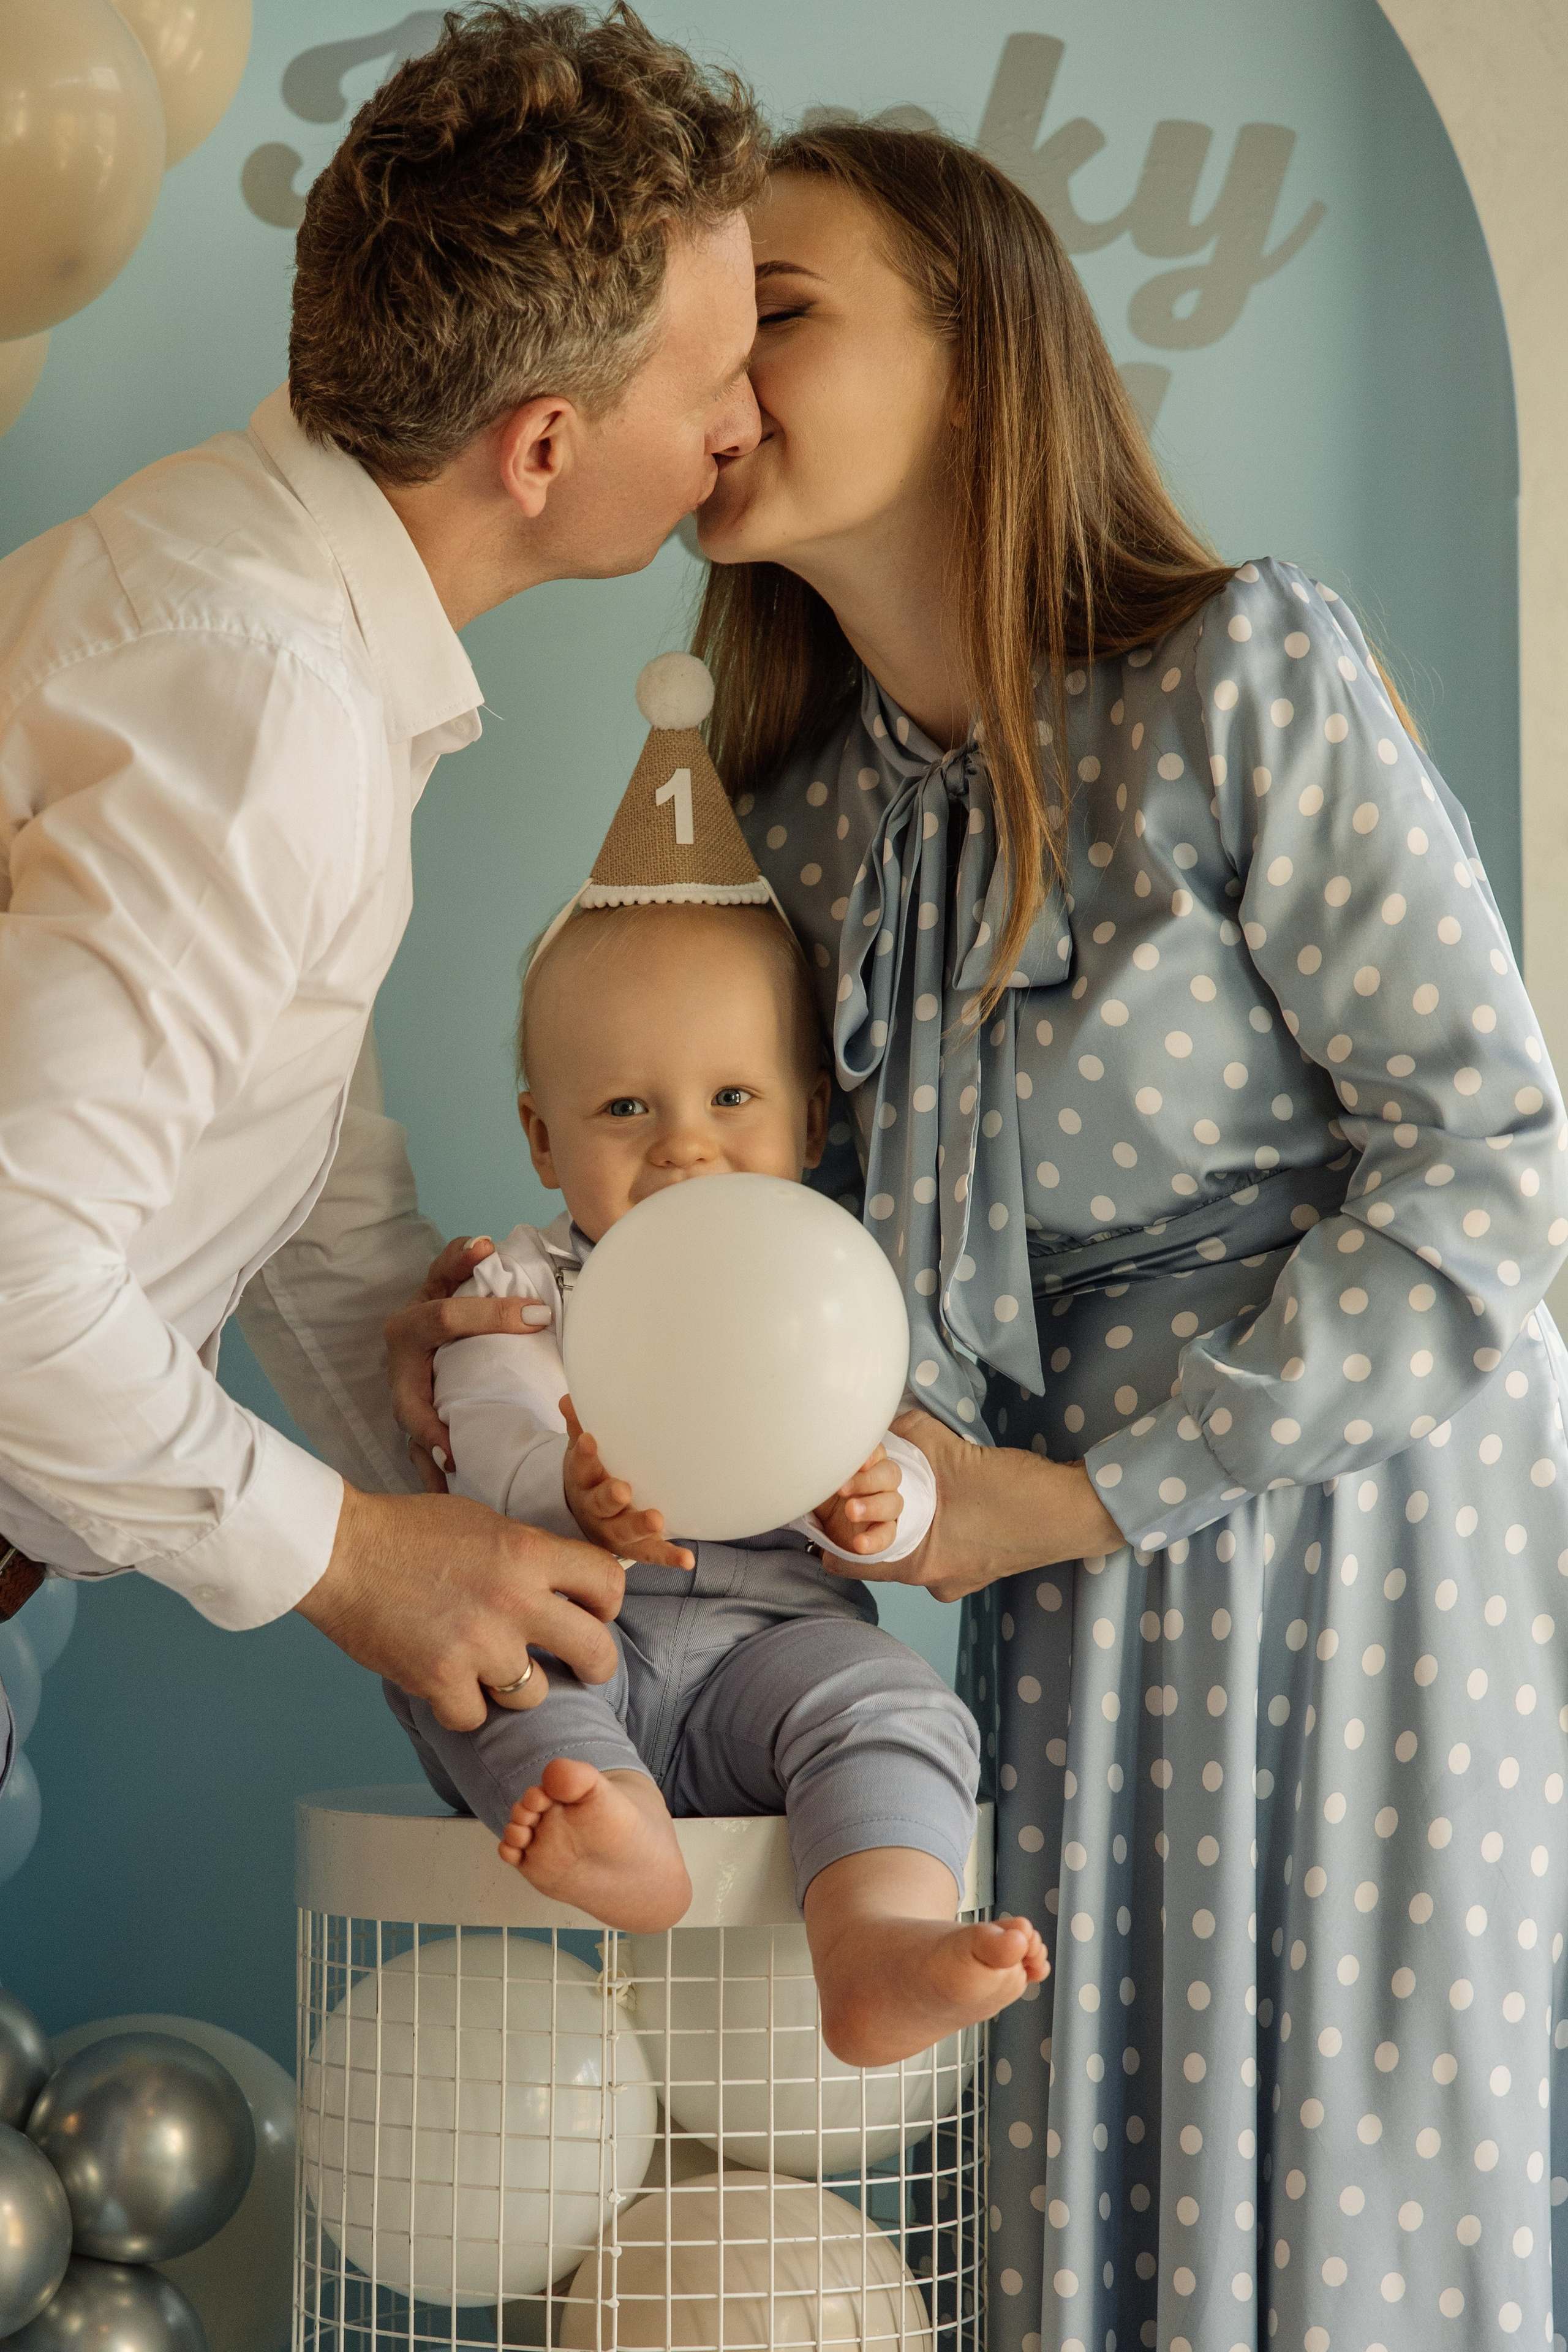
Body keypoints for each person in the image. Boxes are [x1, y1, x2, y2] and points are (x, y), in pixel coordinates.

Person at [687, 124, 1568, 2349]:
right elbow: (826, 1272)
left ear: (982, 360)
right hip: (1056, 1586)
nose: (717, 361)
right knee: (1089, 2182)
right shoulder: (814, 817)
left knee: (1349, 2190)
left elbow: (1491, 1170)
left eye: (778, 307)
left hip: (1360, 1538)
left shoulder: (1237, 672)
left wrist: (1090, 1491)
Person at [0, 4, 766, 1749]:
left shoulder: (274, 614)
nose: (744, 421)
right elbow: (13, 1269)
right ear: (547, 447)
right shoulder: (263, 699)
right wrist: (348, 1556)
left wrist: (492, 1468)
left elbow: (299, 1179)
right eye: (713, 374)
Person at [386, 654, 1046, 2064]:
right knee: (469, 1659)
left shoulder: (827, 1285)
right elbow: (484, 1425)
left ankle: (872, 1944)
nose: (682, 1144)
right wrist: (569, 1493)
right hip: (589, 1627)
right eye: (624, 1107)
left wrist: (890, 1507)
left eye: (730, 1098)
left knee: (894, 1705)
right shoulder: (523, 1287)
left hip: (774, 1644)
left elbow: (899, 1442)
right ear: (542, 1140)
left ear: (809, 1117)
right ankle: (609, 1821)